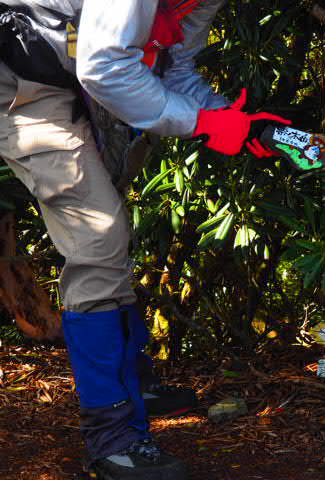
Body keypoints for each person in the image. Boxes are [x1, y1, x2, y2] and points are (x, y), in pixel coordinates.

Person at [0, 0, 290, 478]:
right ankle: (112, 435)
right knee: (98, 239)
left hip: (80, 76)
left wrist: (235, 121)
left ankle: (133, 385)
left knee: (110, 223)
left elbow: (176, 71)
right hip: (26, 83)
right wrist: (204, 124)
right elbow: (104, 67)